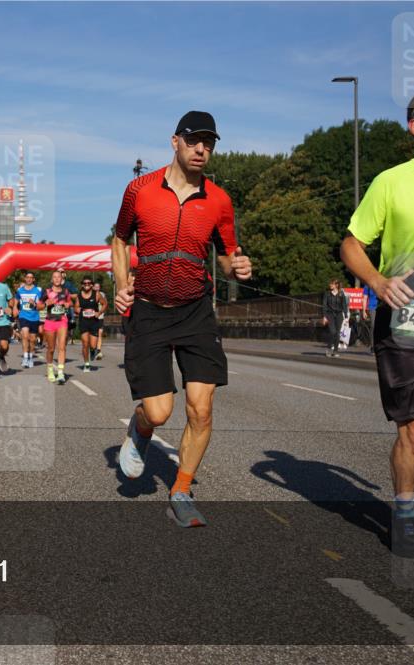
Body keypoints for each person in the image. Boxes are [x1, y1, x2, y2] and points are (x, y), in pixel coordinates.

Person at [111, 110, 252, 528]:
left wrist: (236, 267)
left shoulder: (219, 200)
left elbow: (227, 255)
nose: (202, 149)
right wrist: (122, 284)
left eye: (209, 142)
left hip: (195, 311)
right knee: (158, 412)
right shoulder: (139, 189)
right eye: (194, 141)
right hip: (149, 310)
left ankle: (181, 489)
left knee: (201, 408)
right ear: (176, 141)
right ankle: (140, 430)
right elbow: (120, 239)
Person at [340, 85, 414, 558]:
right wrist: (378, 280)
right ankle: (406, 513)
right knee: (409, 427)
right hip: (408, 323)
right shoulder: (391, 182)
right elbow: (352, 243)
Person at [41, 270, 73, 384]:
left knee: (62, 346)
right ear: (52, 279)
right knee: (51, 349)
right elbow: (38, 306)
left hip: (62, 321)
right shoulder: (47, 291)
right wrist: (45, 304)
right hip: (50, 322)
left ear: (61, 279)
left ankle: (60, 372)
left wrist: (68, 304)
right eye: (54, 277)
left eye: (58, 277)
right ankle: (50, 369)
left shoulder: (66, 291)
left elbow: (70, 303)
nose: (57, 279)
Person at [76, 277, 107, 372]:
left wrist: (99, 312)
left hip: (94, 322)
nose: (87, 285)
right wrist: (79, 310)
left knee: (93, 345)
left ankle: (93, 351)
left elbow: (105, 304)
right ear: (82, 285)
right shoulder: (79, 295)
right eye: (84, 283)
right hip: (83, 322)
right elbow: (76, 307)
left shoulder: (96, 294)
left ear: (92, 285)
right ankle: (86, 364)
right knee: (85, 344)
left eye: (89, 283)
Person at [13, 272, 43, 368]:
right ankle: (25, 358)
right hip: (23, 316)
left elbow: (41, 304)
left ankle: (30, 357)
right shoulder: (20, 290)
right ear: (25, 279)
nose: (29, 279)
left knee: (32, 339)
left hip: (34, 317)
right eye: (27, 277)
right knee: (25, 335)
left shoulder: (38, 290)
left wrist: (35, 303)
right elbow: (16, 299)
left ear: (33, 279)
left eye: (31, 277)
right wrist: (15, 308)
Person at [322, 278, 349, 358]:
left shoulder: (341, 294)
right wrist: (324, 316)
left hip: (339, 315)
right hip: (330, 315)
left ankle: (335, 351)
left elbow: (344, 306)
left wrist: (346, 317)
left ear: (336, 285)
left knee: (337, 333)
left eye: (332, 284)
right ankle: (329, 348)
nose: (330, 285)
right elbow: (324, 306)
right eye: (330, 284)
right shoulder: (327, 294)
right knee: (332, 332)